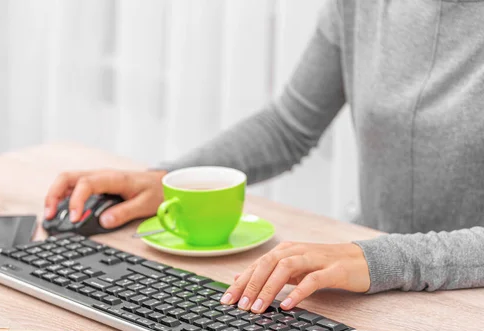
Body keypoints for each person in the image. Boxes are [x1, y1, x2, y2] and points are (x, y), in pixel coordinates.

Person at [44, 0, 484, 315]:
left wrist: (382, 259)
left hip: (460, 299)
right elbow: (288, 127)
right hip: (366, 285)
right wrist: (169, 178)